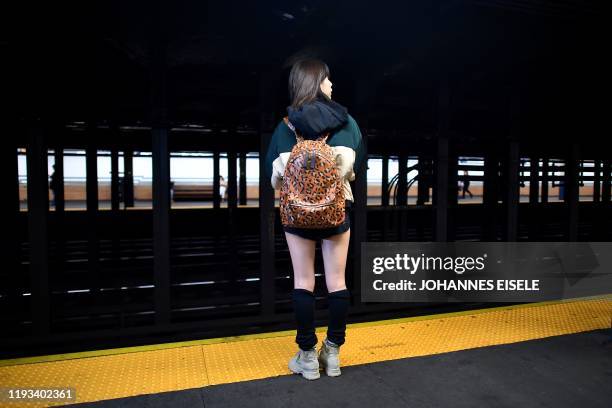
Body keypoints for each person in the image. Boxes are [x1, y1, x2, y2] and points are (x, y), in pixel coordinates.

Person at [264, 59, 366, 380]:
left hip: (296, 213)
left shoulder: (284, 127)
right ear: (316, 83)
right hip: (337, 209)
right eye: (327, 79)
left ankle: (307, 357)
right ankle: (332, 354)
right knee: (337, 281)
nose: (332, 85)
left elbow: (275, 178)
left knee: (303, 281)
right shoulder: (347, 123)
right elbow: (354, 169)